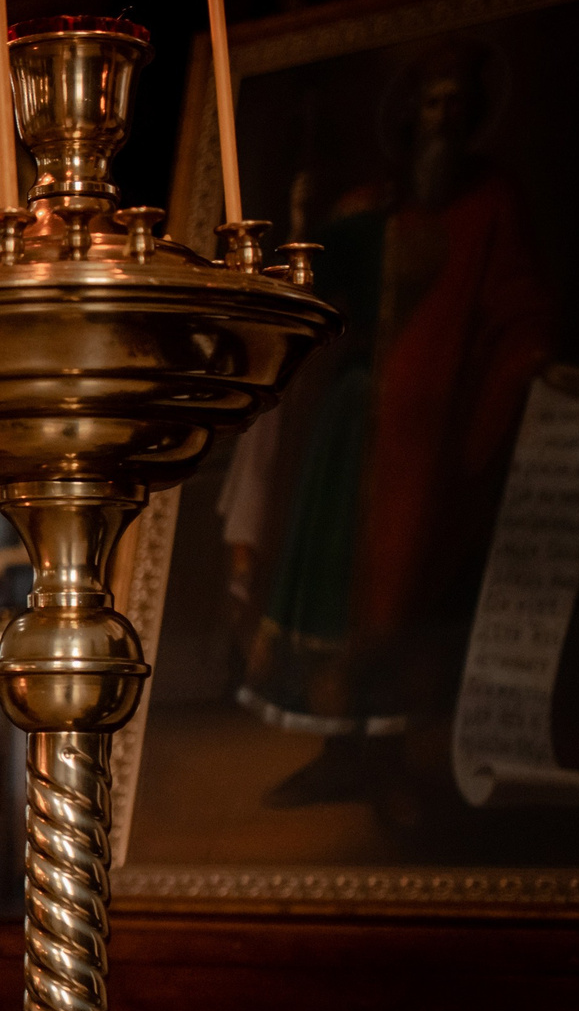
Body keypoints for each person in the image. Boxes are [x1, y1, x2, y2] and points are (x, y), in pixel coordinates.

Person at [231, 40, 557, 814]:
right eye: (431, 102)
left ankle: (393, 757)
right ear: (410, 116)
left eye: (455, 104)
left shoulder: (489, 204)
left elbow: (518, 307)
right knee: (333, 583)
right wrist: (308, 228)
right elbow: (324, 306)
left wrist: (529, 361)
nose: (442, 118)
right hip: (351, 428)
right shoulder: (367, 208)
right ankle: (339, 751)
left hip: (431, 438)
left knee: (406, 587)